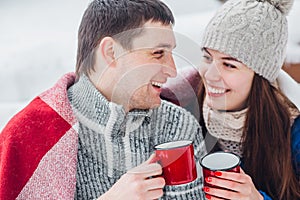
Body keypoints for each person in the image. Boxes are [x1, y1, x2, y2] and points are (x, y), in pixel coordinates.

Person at [0, 0, 207, 199]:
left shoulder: (178, 127)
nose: (172, 70)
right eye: (158, 53)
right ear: (111, 52)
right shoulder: (30, 134)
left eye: (171, 53)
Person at [161, 0, 300, 199]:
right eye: (207, 58)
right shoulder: (176, 109)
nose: (210, 75)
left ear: (260, 76)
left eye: (229, 65)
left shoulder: (292, 132)